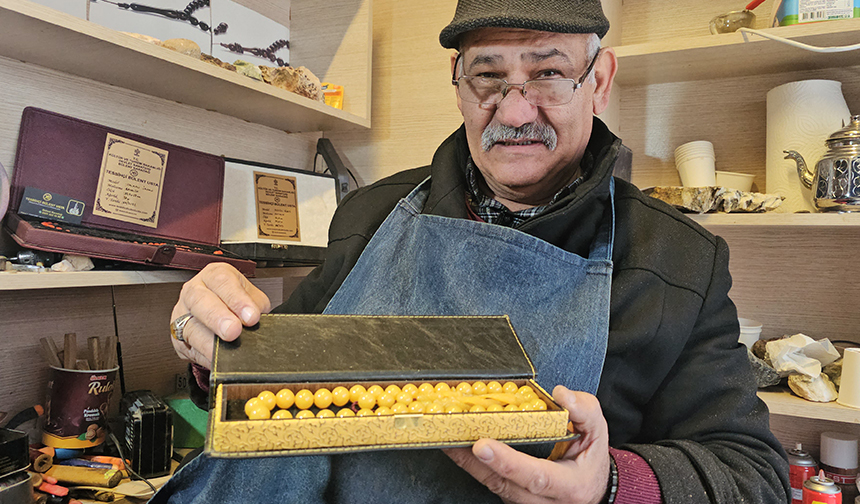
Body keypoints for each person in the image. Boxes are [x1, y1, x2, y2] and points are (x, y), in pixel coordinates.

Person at [155, 1, 790, 502]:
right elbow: (286, 382)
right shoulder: (369, 215)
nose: (515, 109)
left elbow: (754, 476)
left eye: (548, 72)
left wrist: (609, 485)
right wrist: (215, 342)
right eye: (489, 75)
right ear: (457, 83)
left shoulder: (679, 263)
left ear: (600, 81)